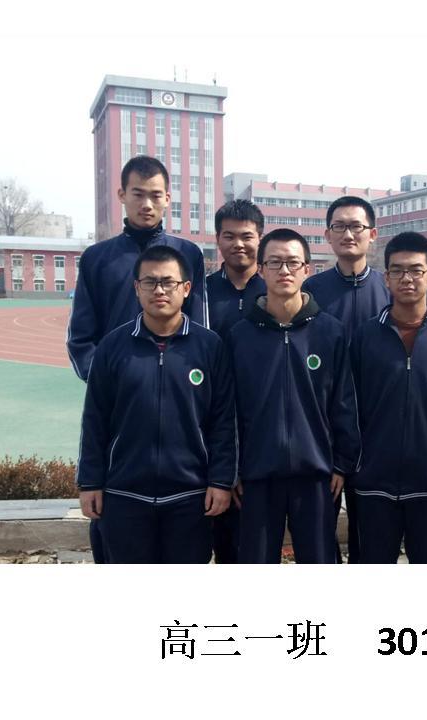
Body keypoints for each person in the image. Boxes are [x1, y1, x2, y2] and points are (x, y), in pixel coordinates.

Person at [67, 155, 209, 562]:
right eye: (138, 194)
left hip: (180, 405)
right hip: (121, 406)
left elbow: (201, 334)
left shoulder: (189, 254)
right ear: (121, 195)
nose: (147, 204)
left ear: (168, 199)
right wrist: (116, 381)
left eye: (156, 195)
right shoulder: (97, 258)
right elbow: (81, 339)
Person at [76, 245, 235, 563]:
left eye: (168, 282)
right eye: (150, 282)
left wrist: (220, 481)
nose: (159, 290)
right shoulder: (112, 347)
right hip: (124, 495)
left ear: (186, 288)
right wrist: (90, 482)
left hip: (190, 496)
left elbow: (223, 421)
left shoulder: (210, 347)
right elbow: (95, 419)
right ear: (137, 288)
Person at [228, 228, 360, 564]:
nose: (284, 270)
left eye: (292, 263)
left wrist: (341, 463)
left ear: (306, 270)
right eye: (274, 262)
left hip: (316, 475)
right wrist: (232, 469)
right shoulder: (240, 336)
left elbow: (343, 403)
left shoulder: (329, 332)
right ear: (261, 270)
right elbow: (229, 409)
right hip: (257, 474)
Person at [350, 232, 427, 563]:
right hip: (375, 479)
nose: (407, 278)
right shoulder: (365, 337)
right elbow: (352, 404)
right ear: (386, 278)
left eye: (416, 270)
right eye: (397, 270)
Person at [304, 196, 390, 563]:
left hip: (377, 426)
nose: (348, 234)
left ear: (373, 234)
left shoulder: (390, 289)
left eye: (356, 226)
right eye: (339, 226)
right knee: (321, 528)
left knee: (369, 528)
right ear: (328, 235)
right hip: (325, 427)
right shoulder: (312, 291)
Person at [205, 199, 267, 564]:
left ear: (260, 238)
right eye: (229, 236)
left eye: (247, 236)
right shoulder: (200, 294)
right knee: (221, 536)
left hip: (262, 422)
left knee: (256, 541)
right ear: (218, 239)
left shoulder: (275, 290)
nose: (238, 244)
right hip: (213, 419)